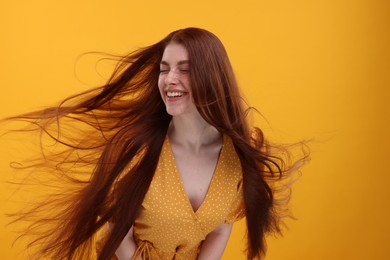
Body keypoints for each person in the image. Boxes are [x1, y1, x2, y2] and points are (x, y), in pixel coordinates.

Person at [5, 27, 308, 259]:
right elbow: (117, 229)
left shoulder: (237, 157)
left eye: (184, 69)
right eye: (165, 69)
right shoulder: (134, 147)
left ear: (211, 76)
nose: (169, 79)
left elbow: (220, 228)